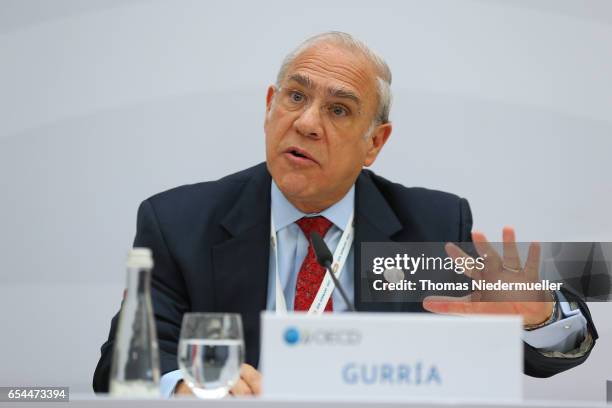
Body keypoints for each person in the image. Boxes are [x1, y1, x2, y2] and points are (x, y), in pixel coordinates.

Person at [93, 32, 597, 397]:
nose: (307, 123)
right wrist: (183, 389)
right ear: (270, 107)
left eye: (338, 110)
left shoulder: (433, 225)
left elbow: (536, 354)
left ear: (374, 142)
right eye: (295, 97)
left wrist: (539, 317)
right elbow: (123, 364)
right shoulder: (179, 222)